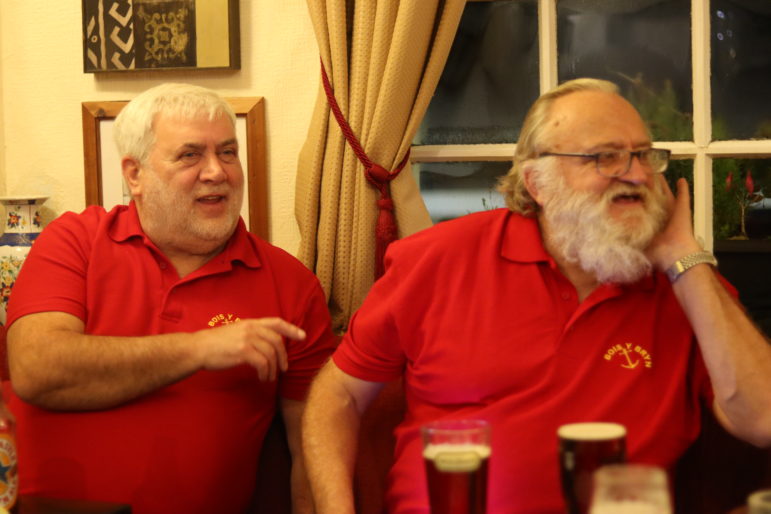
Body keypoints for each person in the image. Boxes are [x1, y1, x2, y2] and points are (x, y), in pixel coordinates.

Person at [301, 78, 771, 513]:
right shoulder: (435, 259)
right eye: (605, 157)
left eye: (645, 155)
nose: (638, 175)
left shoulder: (686, 287)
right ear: (537, 183)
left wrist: (682, 255)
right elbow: (338, 394)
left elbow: (763, 419)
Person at [5, 83, 337, 514]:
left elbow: (313, 447)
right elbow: (37, 369)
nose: (217, 171)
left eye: (228, 152)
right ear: (134, 174)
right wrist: (200, 347)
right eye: (190, 155)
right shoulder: (75, 241)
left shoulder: (291, 284)